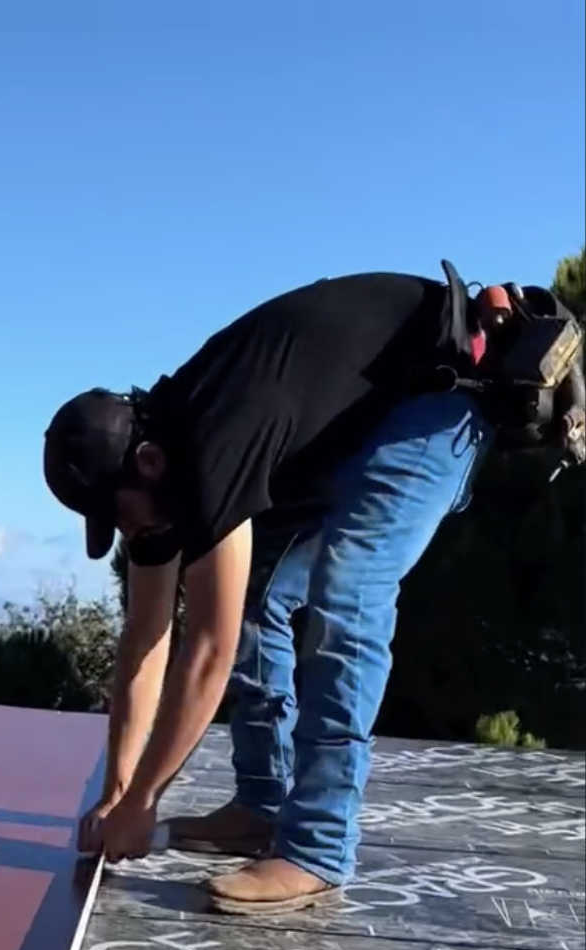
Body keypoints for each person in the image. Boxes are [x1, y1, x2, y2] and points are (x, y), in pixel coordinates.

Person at [42, 266, 583, 916]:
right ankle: (259, 806)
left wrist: (144, 805)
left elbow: (207, 655)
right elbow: (145, 638)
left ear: (148, 464)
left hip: (440, 399)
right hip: (352, 430)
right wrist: (118, 789)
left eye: (122, 515)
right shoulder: (162, 468)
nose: (131, 533)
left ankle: (317, 849)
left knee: (348, 586)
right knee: (257, 591)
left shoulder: (210, 444)